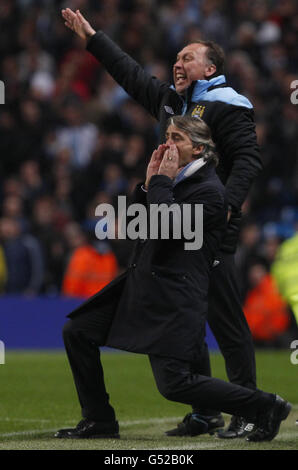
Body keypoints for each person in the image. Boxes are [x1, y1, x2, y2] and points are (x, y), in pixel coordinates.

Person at [61, 8, 263, 438]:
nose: (179, 62)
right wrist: (93, 38)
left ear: (211, 68)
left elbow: (248, 160)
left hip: (208, 226)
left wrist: (225, 207)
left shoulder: (229, 106)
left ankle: (249, 408)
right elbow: (129, 74)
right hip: (172, 224)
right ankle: (206, 412)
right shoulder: (174, 102)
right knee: (187, 320)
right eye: (176, 57)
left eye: (188, 57)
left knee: (225, 320)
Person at [55, 116, 291, 442]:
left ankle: (266, 405)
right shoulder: (174, 180)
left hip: (173, 296)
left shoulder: (211, 192)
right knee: (77, 331)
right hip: (141, 284)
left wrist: (160, 184)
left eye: (176, 138)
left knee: (174, 385)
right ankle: (99, 420)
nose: (167, 144)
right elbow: (140, 227)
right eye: (165, 135)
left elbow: (168, 229)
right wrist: (148, 185)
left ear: (198, 148)